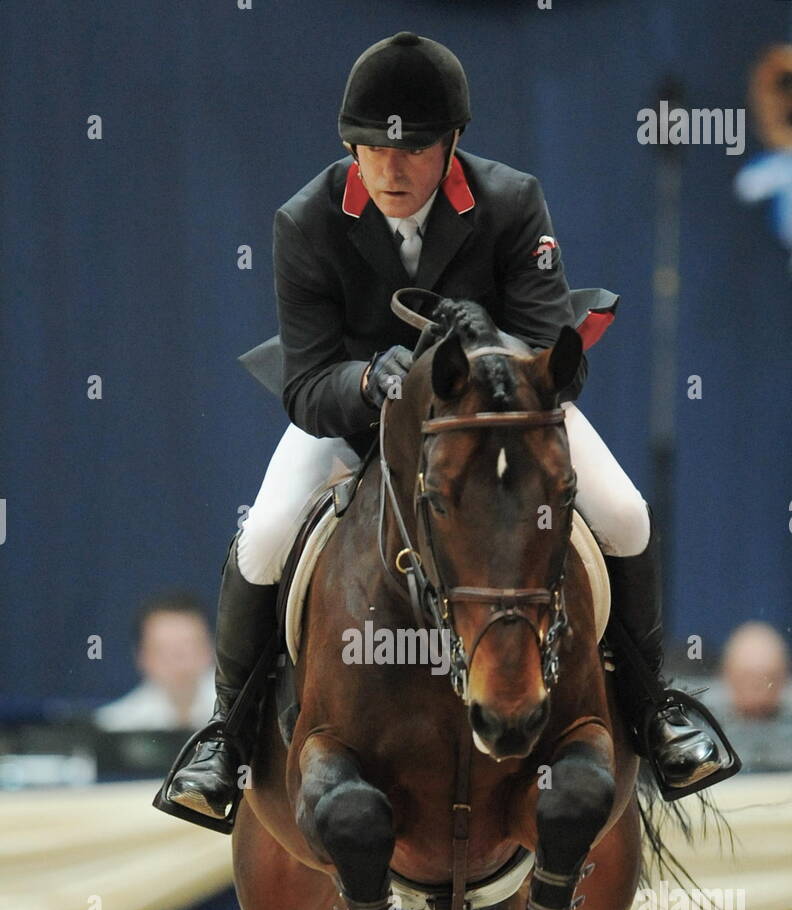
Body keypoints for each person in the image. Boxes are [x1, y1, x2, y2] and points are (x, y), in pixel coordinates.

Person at [158, 30, 733, 831]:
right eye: (372, 150)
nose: (392, 169)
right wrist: (373, 381)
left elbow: (550, 354)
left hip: (496, 423)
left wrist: (486, 353)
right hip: (360, 423)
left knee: (628, 514)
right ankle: (226, 739)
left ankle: (655, 713)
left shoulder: (510, 201)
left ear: (452, 143)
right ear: (351, 147)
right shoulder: (306, 221)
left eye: (416, 149)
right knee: (265, 537)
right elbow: (306, 382)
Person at [95, 592, 215, 732]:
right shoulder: (116, 726)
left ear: (210, 650)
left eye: (188, 649)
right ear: (142, 657)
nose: (178, 663)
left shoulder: (242, 715)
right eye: (164, 652)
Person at [705, 621, 792, 772]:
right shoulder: (701, 726)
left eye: (769, 678)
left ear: (784, 679)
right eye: (746, 678)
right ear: (727, 676)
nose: (757, 687)